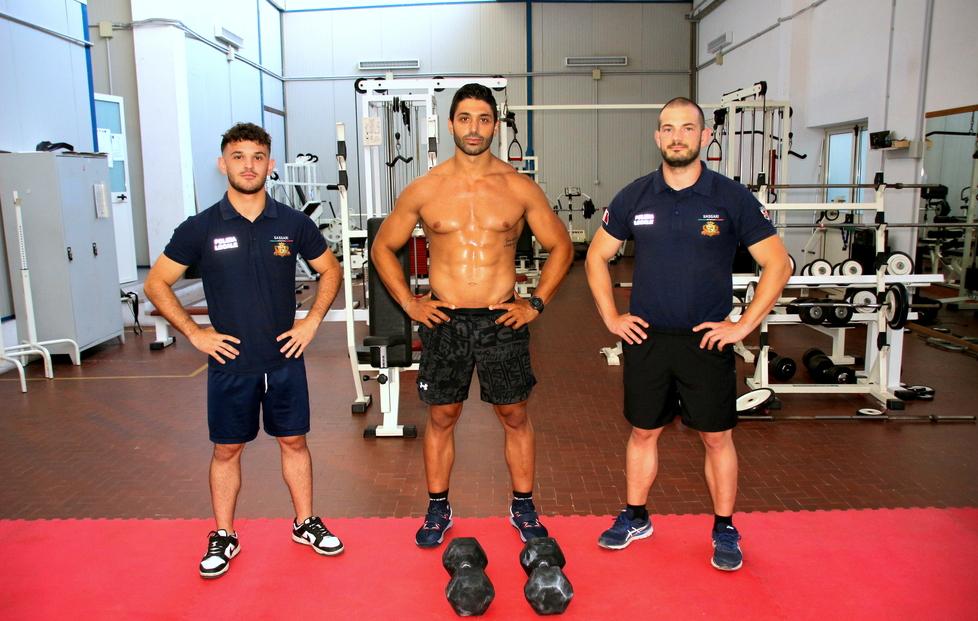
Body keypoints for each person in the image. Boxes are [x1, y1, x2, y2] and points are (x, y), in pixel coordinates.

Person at [585, 97, 791, 571]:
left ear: (705, 137)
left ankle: (724, 526)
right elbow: (596, 257)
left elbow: (778, 263)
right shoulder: (635, 196)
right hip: (647, 339)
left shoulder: (730, 197)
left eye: (687, 128)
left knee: (717, 438)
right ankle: (636, 516)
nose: (677, 136)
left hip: (706, 340)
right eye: (668, 128)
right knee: (642, 431)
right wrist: (612, 318)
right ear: (658, 137)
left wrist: (744, 324)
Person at [371, 84, 574, 547]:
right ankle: (438, 508)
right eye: (465, 119)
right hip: (445, 320)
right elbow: (383, 246)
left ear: (495, 126)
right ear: (450, 125)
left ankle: (523, 506)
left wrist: (536, 303)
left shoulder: (518, 187)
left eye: (484, 119)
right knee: (442, 416)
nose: (474, 128)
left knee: (514, 414)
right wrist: (409, 302)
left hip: (501, 318)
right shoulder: (425, 188)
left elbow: (561, 246)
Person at [144, 122, 345, 578]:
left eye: (257, 156)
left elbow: (330, 272)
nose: (248, 165)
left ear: (270, 164)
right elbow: (156, 283)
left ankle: (305, 522)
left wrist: (311, 321)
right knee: (226, 450)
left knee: (294, 441)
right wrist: (195, 335)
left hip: (284, 358)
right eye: (238, 156)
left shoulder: (293, 223)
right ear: (223, 163)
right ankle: (224, 534)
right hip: (230, 362)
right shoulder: (201, 227)